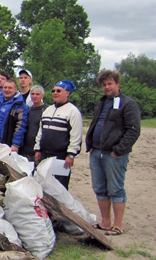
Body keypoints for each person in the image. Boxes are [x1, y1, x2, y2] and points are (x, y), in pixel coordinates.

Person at [86, 70, 141, 236]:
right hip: (96, 152)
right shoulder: (102, 103)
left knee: (115, 189)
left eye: (110, 83)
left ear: (117, 84)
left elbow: (133, 130)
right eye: (104, 85)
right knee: (100, 188)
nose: (107, 87)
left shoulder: (128, 104)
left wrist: (118, 150)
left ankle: (117, 225)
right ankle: (105, 222)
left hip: (113, 154)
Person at [34, 80, 83, 189]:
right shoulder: (48, 110)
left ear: (67, 93)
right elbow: (40, 131)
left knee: (59, 187)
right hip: (45, 154)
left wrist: (71, 154)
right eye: (53, 91)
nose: (55, 93)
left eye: (59, 91)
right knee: (42, 183)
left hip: (60, 156)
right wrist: (37, 149)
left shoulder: (73, 112)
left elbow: (76, 135)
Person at [19, 85, 48, 161]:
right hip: (25, 148)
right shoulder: (28, 110)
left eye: (37, 94)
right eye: (32, 94)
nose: (34, 96)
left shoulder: (47, 110)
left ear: (42, 96)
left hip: (39, 148)